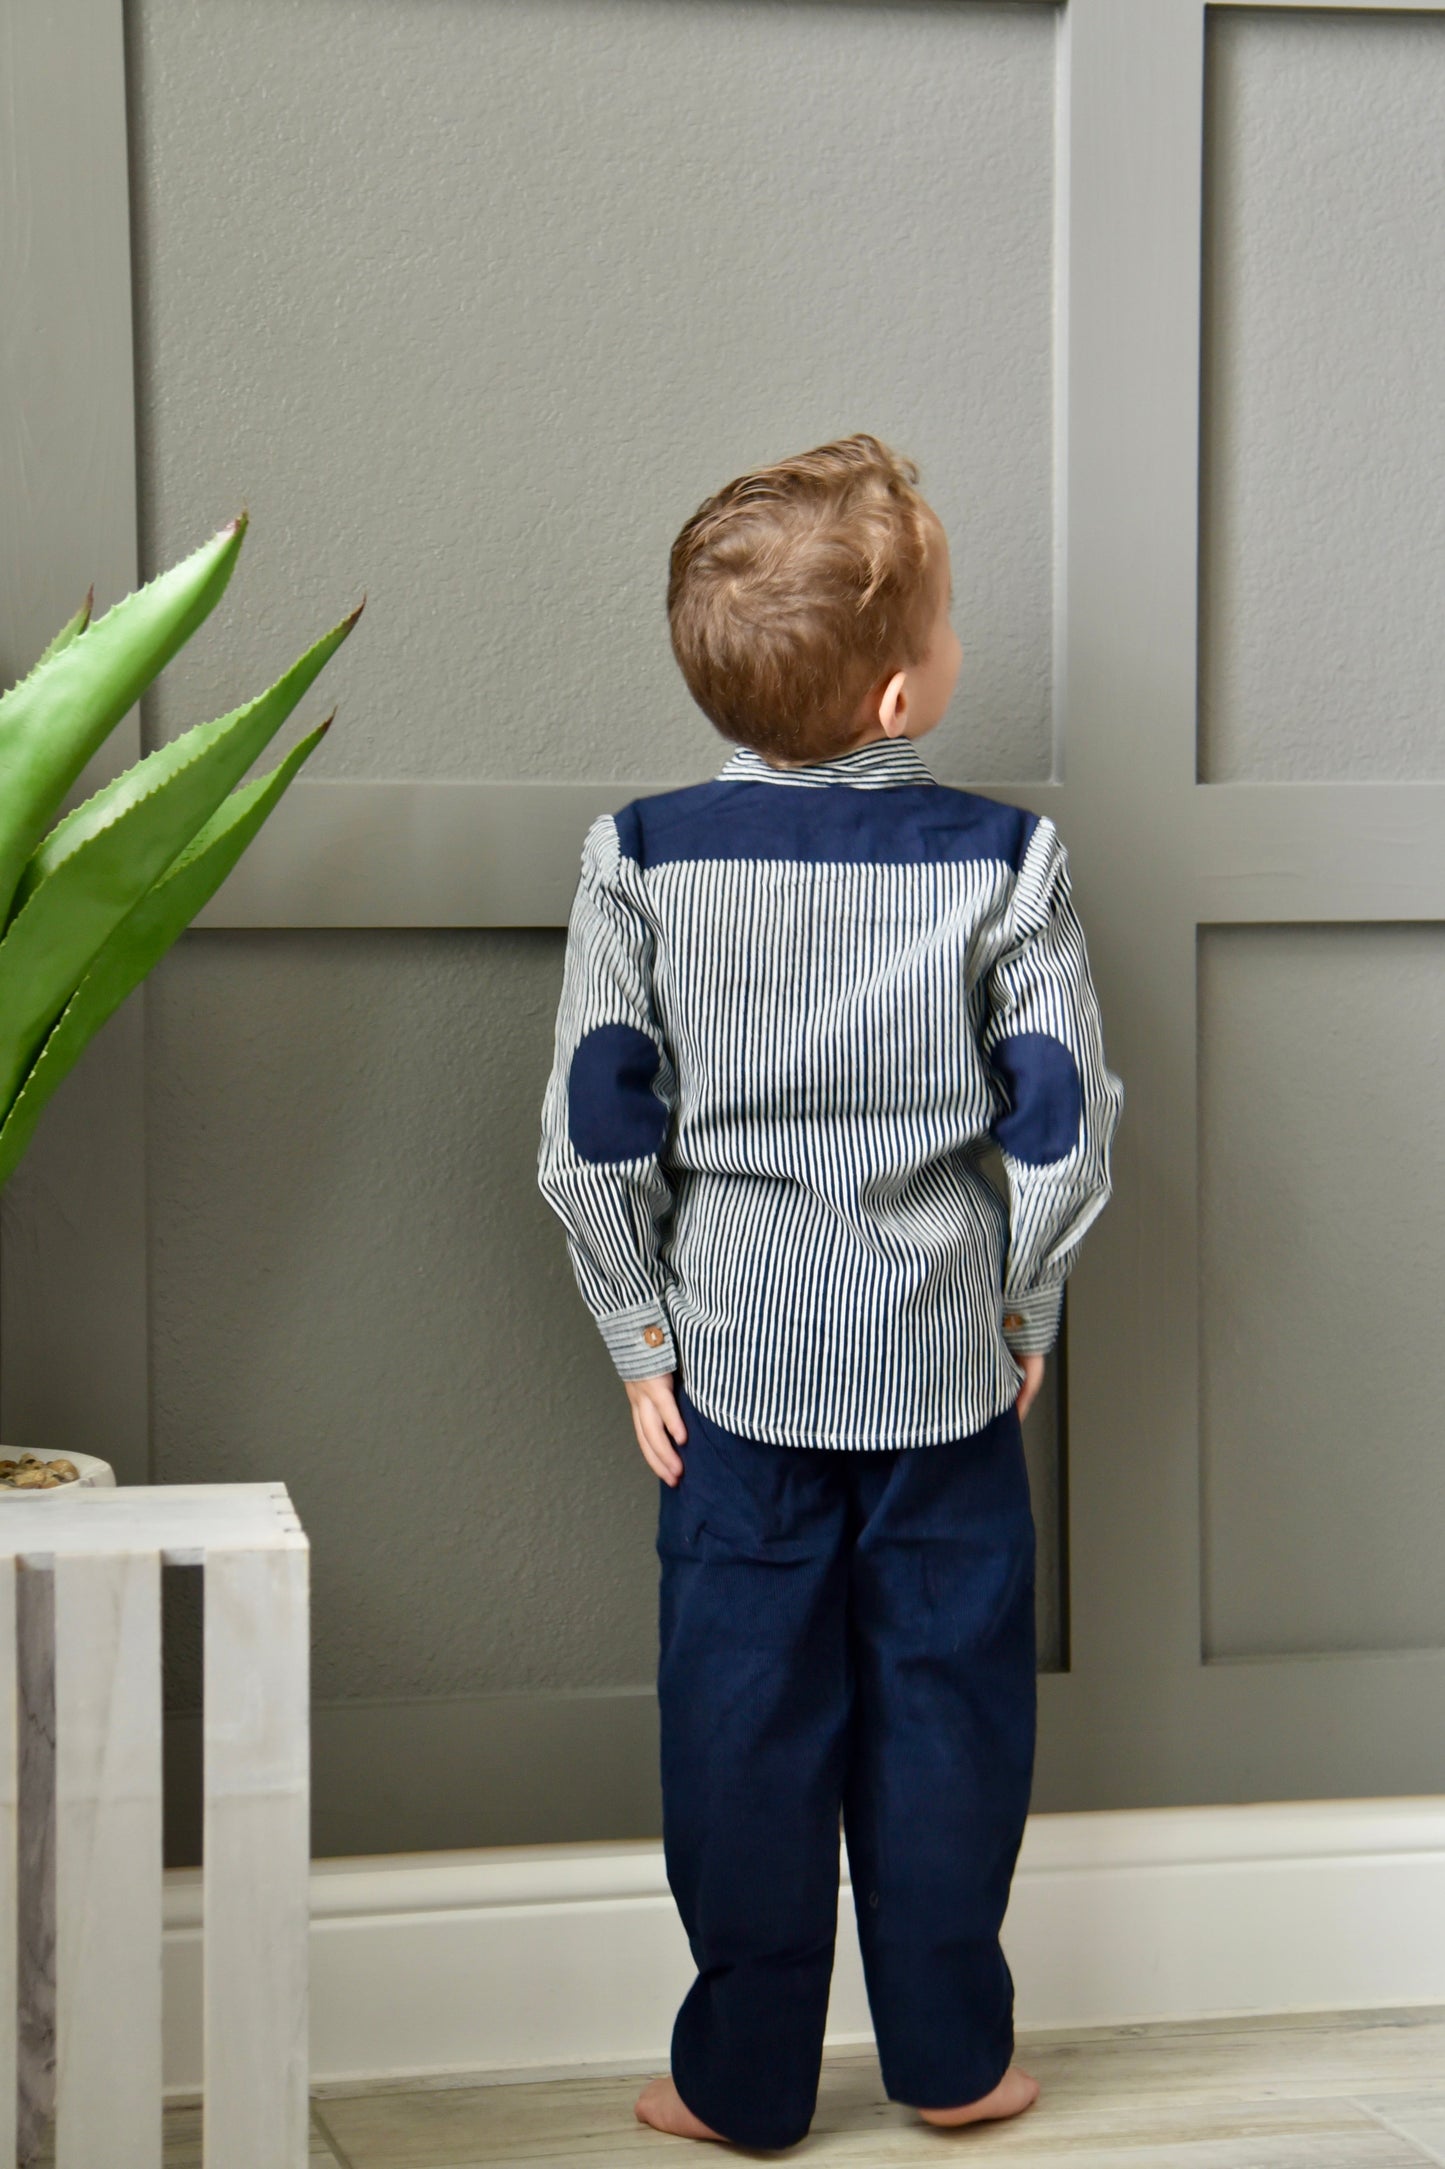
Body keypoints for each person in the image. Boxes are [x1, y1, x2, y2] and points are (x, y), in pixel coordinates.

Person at [537, 433, 1122, 2150]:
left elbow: (589, 1134)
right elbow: (1064, 1132)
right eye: (943, 626)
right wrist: (1025, 1313)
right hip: (945, 1380)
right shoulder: (1007, 860)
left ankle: (742, 2078)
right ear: (893, 697)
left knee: (739, 1728)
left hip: (728, 1391)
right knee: (949, 1720)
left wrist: (638, 1330)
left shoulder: (637, 855)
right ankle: (950, 2059)